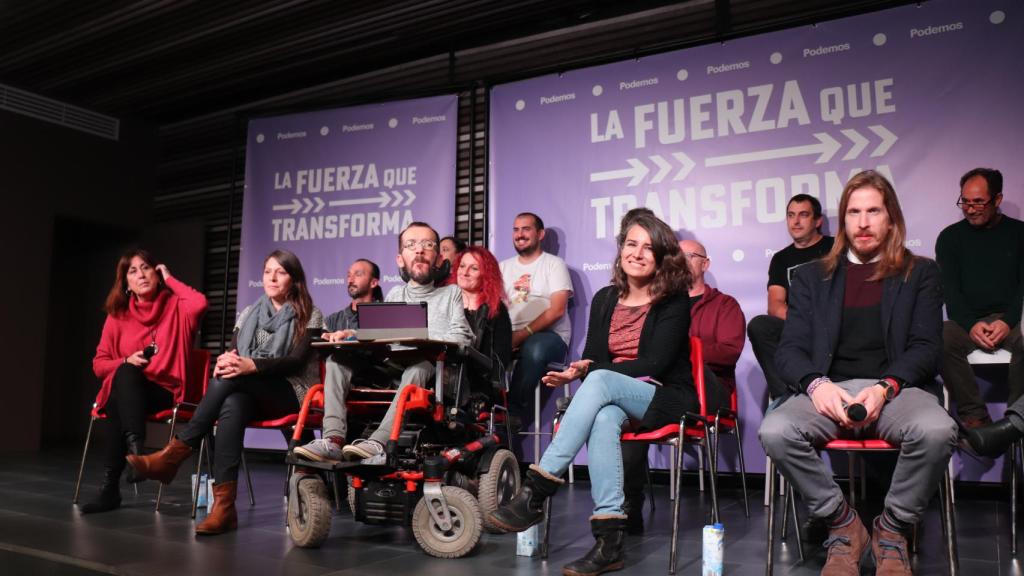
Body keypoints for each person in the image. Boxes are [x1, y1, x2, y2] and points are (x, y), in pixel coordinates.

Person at [758, 171, 957, 576]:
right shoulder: (812, 277)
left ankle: (892, 529)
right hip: (830, 390)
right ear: (843, 221)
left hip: (896, 390)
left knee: (937, 430)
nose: (863, 222)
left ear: (891, 219)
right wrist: (816, 385)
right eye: (853, 212)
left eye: (873, 211)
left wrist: (885, 387)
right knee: (776, 430)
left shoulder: (921, 272)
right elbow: (790, 349)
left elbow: (927, 348)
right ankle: (844, 525)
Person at [488, 209, 695, 576]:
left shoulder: (674, 300)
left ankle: (536, 490)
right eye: (631, 243)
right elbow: (596, 357)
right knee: (602, 417)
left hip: (663, 397)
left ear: (662, 256)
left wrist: (593, 371)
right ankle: (609, 539)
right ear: (621, 249)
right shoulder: (605, 298)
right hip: (614, 397)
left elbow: (655, 363)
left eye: (649, 247)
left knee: (599, 382)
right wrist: (581, 368)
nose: (638, 253)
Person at [127, 249, 324, 535]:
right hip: (252, 389)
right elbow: (235, 352)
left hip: (292, 392)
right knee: (232, 404)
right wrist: (227, 360)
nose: (272, 277)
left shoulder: (310, 314)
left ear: (293, 280)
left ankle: (176, 452)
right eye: (268, 271)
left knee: (232, 381)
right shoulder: (249, 313)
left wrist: (249, 365)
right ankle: (225, 508)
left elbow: (294, 362)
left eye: (280, 272)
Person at [297, 222, 474, 464]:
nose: (419, 250)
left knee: (419, 366)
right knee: (337, 360)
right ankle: (333, 440)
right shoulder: (395, 296)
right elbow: (379, 337)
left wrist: (423, 336)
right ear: (400, 259)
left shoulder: (451, 293)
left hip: (431, 370)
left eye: (427, 245)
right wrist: (351, 334)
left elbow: (464, 337)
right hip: (392, 366)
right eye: (411, 245)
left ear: (438, 258)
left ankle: (378, 442)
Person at [619, 237, 742, 532]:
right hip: (666, 388)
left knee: (666, 376)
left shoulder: (724, 304)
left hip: (710, 391)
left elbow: (729, 352)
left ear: (705, 264)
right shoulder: (657, 306)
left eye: (690, 255)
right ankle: (629, 506)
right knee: (631, 409)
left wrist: (679, 352)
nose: (682, 260)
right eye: (677, 254)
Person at [82, 250, 207, 514]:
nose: (141, 274)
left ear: (157, 273)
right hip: (129, 393)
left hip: (165, 389)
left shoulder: (178, 307)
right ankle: (137, 455)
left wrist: (170, 278)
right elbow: (99, 365)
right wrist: (126, 359)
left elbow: (200, 303)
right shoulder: (118, 315)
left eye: (147, 268)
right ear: (125, 283)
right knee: (124, 378)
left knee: (120, 387)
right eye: (133, 271)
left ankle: (111, 487)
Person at [935, 167, 1024, 428]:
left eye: (978, 202)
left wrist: (1008, 321)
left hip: (1014, 320)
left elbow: (1023, 287)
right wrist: (971, 324)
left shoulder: (1019, 233)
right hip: (968, 322)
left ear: (997, 200)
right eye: (965, 201)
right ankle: (976, 419)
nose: (970, 209)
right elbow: (950, 291)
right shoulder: (950, 237)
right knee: (937, 337)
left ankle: (1016, 422)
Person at [292, 258, 384, 462]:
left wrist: (350, 336)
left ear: (373, 282)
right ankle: (333, 439)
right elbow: (318, 354)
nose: (350, 279)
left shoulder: (383, 313)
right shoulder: (333, 319)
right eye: (349, 274)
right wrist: (325, 340)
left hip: (376, 378)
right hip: (341, 382)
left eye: (358, 274)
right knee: (334, 359)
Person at [747, 194, 835, 401]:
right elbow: (775, 305)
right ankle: (786, 397)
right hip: (799, 325)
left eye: (803, 215)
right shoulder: (781, 259)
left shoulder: (836, 248)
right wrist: (805, 322)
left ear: (818, 221)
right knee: (760, 325)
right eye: (791, 215)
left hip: (835, 324)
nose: (796, 221)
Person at [499, 212, 573, 422]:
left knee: (535, 347)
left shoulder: (554, 264)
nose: (519, 234)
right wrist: (504, 338)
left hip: (549, 338)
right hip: (510, 336)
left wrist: (520, 336)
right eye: (516, 229)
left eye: (526, 229)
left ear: (540, 234)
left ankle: (510, 415)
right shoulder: (502, 267)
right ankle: (486, 415)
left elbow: (556, 310)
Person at [452, 246, 512, 400]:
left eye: (474, 268)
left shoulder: (497, 310)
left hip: (480, 380)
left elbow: (500, 357)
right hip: (444, 372)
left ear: (486, 275)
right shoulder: (446, 301)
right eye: (462, 266)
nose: (465, 273)